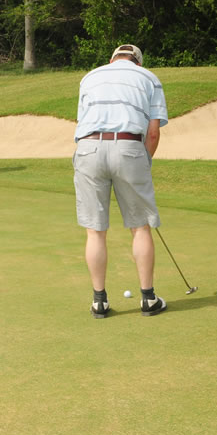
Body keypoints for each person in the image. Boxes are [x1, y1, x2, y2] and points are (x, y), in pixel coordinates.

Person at [73, 44, 169, 318]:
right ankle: (148, 299)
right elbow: (153, 133)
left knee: (95, 230)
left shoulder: (90, 76)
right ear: (138, 62)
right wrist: (143, 163)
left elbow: (82, 123)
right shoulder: (149, 77)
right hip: (129, 146)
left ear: (112, 59)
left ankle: (99, 302)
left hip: (88, 148)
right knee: (140, 227)